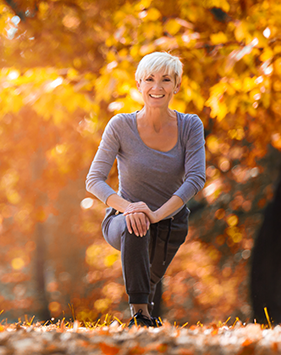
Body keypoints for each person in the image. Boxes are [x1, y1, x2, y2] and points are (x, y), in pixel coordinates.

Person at [84, 52, 207, 327]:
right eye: (149, 79)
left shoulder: (190, 126)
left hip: (170, 223)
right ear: (139, 84)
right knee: (134, 224)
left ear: (176, 85)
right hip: (122, 219)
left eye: (165, 80)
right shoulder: (120, 126)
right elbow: (94, 180)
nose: (157, 87)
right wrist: (131, 208)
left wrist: (156, 215)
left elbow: (196, 178)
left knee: (149, 278)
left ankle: (147, 319)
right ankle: (140, 316)